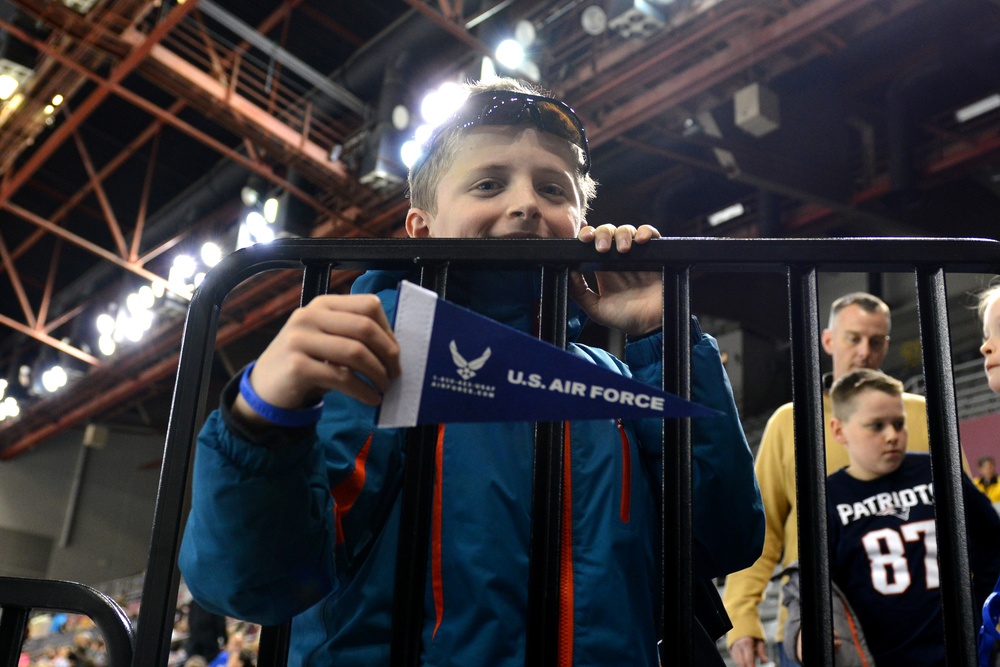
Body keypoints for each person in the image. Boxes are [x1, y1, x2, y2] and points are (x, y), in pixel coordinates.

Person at [179, 76, 765, 666]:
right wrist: (261, 423)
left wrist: (660, 336)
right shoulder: (382, 348)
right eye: (489, 183)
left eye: (553, 189)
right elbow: (258, 580)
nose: (525, 203)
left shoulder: (616, 378)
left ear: (582, 220)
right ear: (420, 228)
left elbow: (722, 538)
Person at [723, 292, 932, 667]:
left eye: (876, 340)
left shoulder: (922, 414)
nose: (865, 351)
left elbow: (963, 519)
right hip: (818, 628)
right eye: (854, 338)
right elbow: (761, 528)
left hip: (920, 622)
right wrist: (741, 616)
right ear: (829, 340)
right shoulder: (791, 422)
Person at [783, 369, 1000, 665]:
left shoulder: (938, 470)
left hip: (963, 653)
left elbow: (993, 543)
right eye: (876, 426)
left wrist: (981, 610)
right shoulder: (825, 498)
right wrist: (801, 633)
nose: (892, 436)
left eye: (899, 424)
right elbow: (808, 588)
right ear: (838, 430)